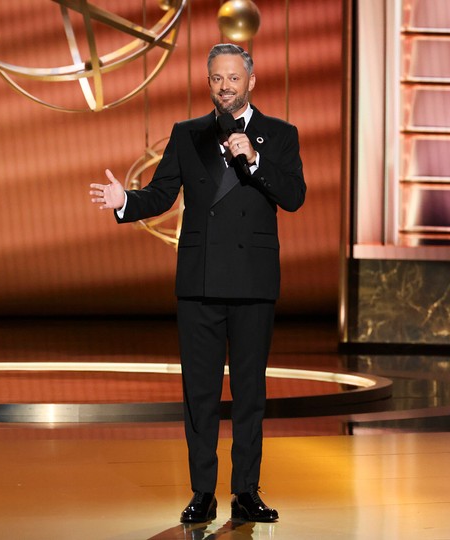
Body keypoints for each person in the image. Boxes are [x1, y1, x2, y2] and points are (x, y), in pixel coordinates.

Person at [89, 43, 306, 524]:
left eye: (232, 78)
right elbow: (163, 195)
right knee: (200, 393)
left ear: (251, 81)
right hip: (200, 281)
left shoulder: (279, 135)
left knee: (250, 393)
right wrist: (126, 201)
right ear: (208, 83)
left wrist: (255, 160)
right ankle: (202, 492)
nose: (224, 86)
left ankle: (246, 491)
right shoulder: (187, 135)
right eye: (215, 79)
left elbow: (294, 196)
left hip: (253, 282)